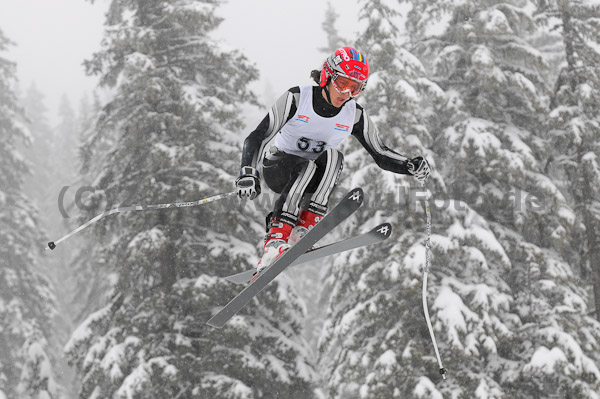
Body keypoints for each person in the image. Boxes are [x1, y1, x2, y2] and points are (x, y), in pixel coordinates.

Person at [235, 46, 430, 272]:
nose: (346, 94)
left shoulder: (354, 114)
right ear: (327, 76)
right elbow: (258, 136)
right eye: (343, 84)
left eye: (355, 88)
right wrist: (248, 172)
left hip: (310, 181)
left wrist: (409, 165)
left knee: (334, 157)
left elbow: (380, 152)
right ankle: (275, 240)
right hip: (278, 168)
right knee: (306, 166)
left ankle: (303, 229)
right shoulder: (297, 98)